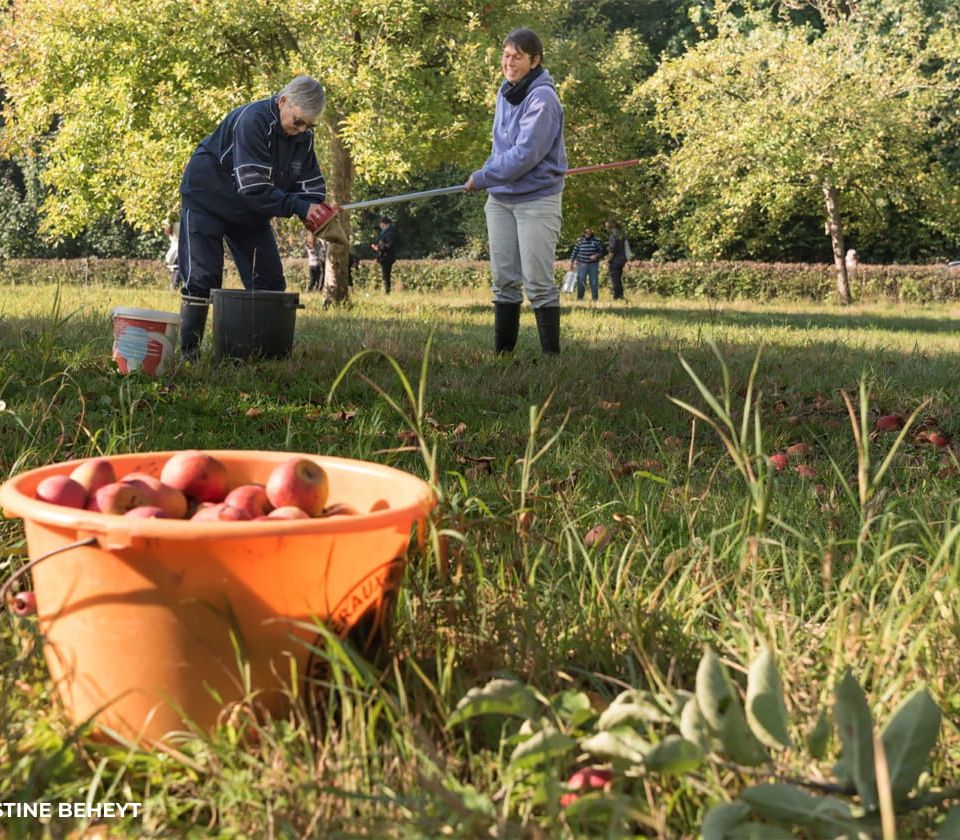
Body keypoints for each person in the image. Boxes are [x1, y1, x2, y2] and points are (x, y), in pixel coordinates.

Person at [176, 75, 338, 358]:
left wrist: (318, 209)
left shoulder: (303, 137)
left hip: (250, 210)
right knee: (202, 278)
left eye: (309, 126)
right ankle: (189, 355)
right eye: (298, 122)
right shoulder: (253, 120)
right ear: (283, 101)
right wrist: (300, 207)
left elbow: (310, 185)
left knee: (270, 281)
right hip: (207, 197)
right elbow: (253, 188)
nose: (301, 131)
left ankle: (263, 354)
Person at [465, 28, 567, 355]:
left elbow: (525, 155)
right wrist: (487, 176)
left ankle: (551, 360)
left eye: (517, 57)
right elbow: (500, 147)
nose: (509, 63)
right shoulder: (506, 90)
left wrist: (483, 177)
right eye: (506, 55)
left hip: (536, 199)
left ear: (535, 61)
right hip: (501, 199)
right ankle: (503, 357)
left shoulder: (543, 99)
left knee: (538, 281)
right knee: (505, 280)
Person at [569, 228, 603, 302]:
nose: (588, 232)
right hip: (582, 264)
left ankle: (595, 299)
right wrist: (571, 262)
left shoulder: (596, 240)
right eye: (586, 231)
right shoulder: (580, 241)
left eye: (589, 231)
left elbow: (601, 252)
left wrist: (596, 255)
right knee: (581, 281)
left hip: (593, 264)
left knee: (593, 281)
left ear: (592, 231)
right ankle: (580, 298)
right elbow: (574, 252)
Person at [370, 216, 397, 293]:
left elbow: (389, 245)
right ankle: (386, 289)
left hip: (387, 256)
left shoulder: (390, 233)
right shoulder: (385, 232)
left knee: (386, 274)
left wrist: (379, 248)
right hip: (384, 256)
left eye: (382, 225)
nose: (381, 227)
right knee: (384, 275)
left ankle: (387, 290)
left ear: (387, 224)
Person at [605, 219, 627, 301]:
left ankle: (617, 296)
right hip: (622, 259)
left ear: (612, 226)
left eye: (607, 226)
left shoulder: (613, 235)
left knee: (615, 279)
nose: (606, 228)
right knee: (618, 278)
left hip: (615, 260)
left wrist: (608, 260)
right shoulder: (621, 234)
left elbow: (612, 249)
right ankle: (621, 295)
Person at [162, 217, 181, 290]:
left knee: (177, 270)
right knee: (177, 269)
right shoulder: (176, 227)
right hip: (178, 252)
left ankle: (173, 287)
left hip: (176, 252)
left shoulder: (175, 228)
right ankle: (173, 287)